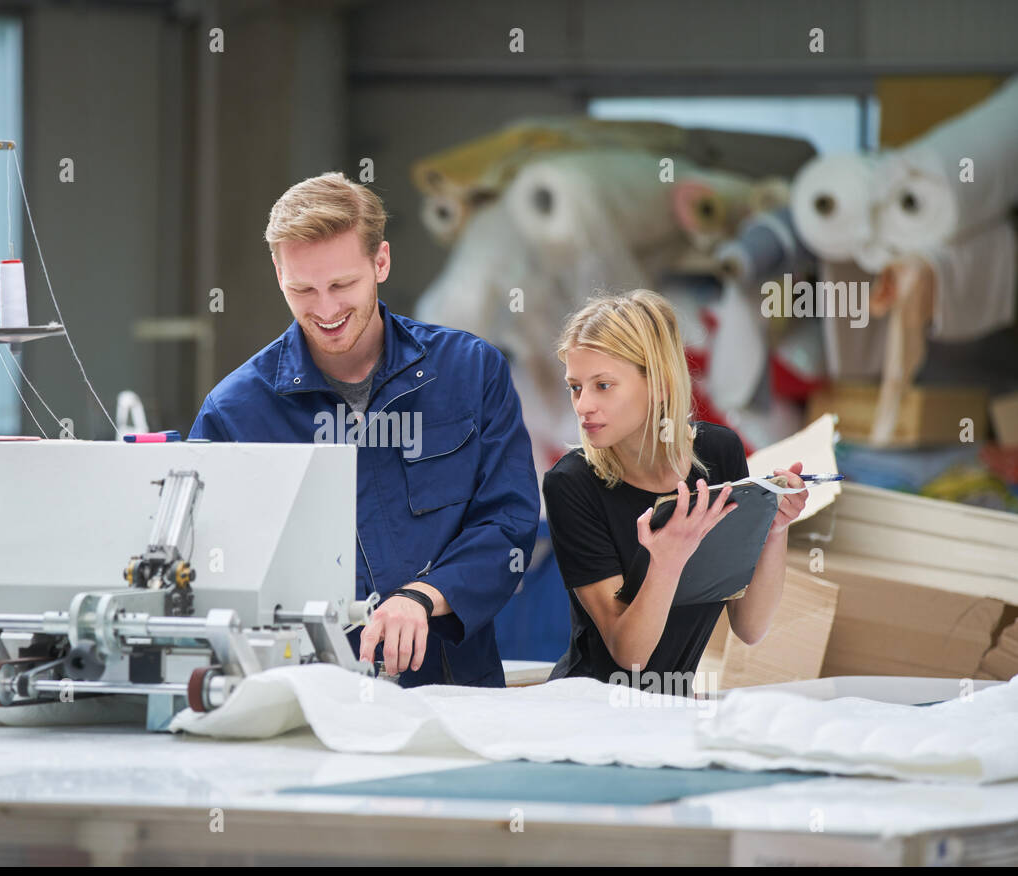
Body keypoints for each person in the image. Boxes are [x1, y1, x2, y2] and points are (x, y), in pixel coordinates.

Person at [188, 172, 539, 688]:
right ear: (277, 271)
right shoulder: (234, 412)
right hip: (299, 694)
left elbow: (508, 522)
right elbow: (207, 567)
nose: (325, 310)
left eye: (342, 285)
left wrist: (423, 596)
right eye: (302, 289)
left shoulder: (471, 372)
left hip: (452, 689)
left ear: (381, 262)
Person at [542, 289, 808, 692]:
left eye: (603, 386)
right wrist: (666, 561)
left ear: (661, 384)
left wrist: (774, 527)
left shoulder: (719, 454)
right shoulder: (572, 484)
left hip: (673, 713)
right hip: (591, 711)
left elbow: (750, 627)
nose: (583, 406)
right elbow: (629, 654)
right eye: (576, 387)